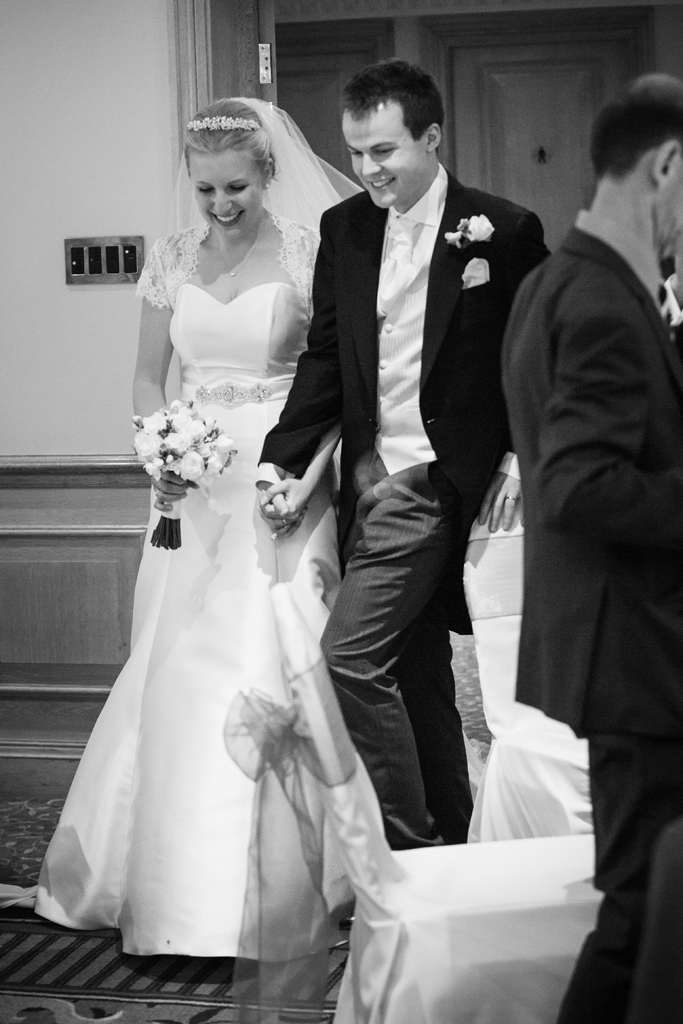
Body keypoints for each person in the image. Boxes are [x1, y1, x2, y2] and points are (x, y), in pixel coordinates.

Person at [32, 98, 350, 956]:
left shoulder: (308, 250)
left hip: (281, 477)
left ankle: (302, 878)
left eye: (235, 187)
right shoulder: (170, 259)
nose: (220, 204)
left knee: (274, 652)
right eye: (205, 189)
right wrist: (159, 445)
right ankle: (169, 879)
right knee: (175, 657)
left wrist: (304, 472)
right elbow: (148, 377)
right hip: (191, 486)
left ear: (267, 173)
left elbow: (335, 377)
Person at [259, 59, 549, 850]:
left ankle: (405, 855)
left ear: (431, 136)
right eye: (355, 152)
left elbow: (540, 357)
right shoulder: (344, 229)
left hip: (436, 481)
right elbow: (326, 355)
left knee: (348, 659)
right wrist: (282, 458)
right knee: (417, 679)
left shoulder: (502, 229)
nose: (367, 169)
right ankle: (451, 847)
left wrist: (517, 457)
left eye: (383, 150)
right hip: (363, 482)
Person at [501, 74, 683, 1023]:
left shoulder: (553, 282)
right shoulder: (603, 301)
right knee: (644, 910)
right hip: (640, 657)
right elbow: (576, 486)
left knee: (650, 906)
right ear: (667, 165)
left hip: (618, 647)